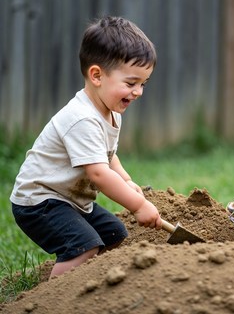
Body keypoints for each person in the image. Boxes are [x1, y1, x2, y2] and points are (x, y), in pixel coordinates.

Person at [10, 16, 162, 277]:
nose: (138, 92)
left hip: (70, 199)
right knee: (83, 247)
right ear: (96, 75)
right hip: (40, 201)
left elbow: (107, 156)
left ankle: (89, 283)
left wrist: (125, 179)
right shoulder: (81, 118)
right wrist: (138, 205)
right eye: (130, 83)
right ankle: (53, 297)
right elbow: (99, 173)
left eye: (143, 84)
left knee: (114, 235)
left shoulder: (110, 112)